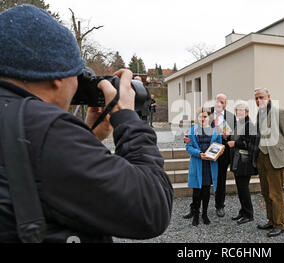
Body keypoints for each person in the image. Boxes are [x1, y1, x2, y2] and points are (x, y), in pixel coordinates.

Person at [0, 5, 173, 243]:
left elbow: (36, 176)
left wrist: (87, 138)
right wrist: (127, 118)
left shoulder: (16, 120)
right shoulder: (45, 130)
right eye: (77, 75)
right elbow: (151, 207)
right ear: (58, 77)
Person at [184, 93, 236, 218]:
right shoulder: (207, 112)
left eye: (222, 102)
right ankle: (194, 208)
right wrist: (186, 138)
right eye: (218, 101)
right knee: (199, 181)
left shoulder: (230, 116)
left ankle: (219, 206)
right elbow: (195, 128)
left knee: (220, 180)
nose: (219, 104)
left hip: (221, 154)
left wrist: (228, 137)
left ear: (226, 104)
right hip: (202, 153)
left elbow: (234, 134)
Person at [254, 88, 284, 238]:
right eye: (256, 98)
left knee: (276, 193)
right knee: (265, 192)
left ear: (269, 97)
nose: (259, 100)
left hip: (275, 158)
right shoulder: (259, 113)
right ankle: (271, 221)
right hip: (262, 158)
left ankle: (280, 224)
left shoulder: (280, 112)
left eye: (261, 97)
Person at [185, 107, 222, 226]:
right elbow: (188, 147)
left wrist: (219, 152)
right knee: (196, 192)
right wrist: (199, 154)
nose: (202, 118)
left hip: (209, 165)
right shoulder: (192, 130)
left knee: (206, 191)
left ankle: (204, 214)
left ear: (209, 117)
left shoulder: (215, 131)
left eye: (205, 116)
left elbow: (219, 146)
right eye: (200, 116)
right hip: (197, 164)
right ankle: (195, 215)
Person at [227, 101, 258, 225]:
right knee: (240, 188)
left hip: (245, 162)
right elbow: (236, 139)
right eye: (236, 110)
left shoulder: (249, 125)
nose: (238, 112)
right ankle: (243, 211)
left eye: (241, 110)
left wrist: (235, 143)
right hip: (237, 160)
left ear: (246, 112)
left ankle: (249, 214)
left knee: (244, 188)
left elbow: (248, 144)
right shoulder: (239, 124)